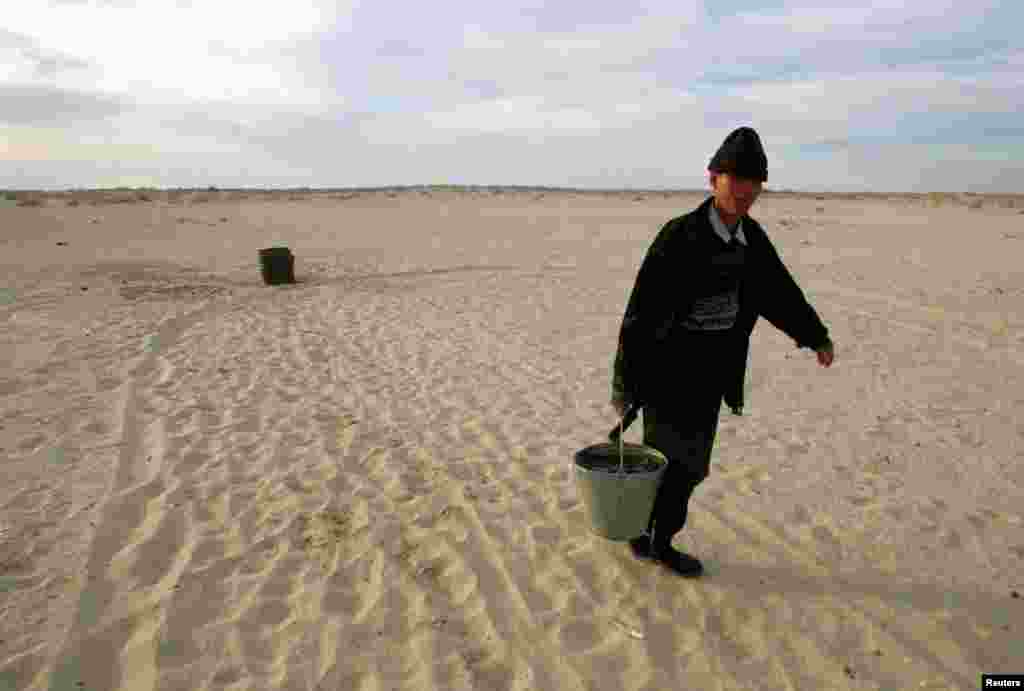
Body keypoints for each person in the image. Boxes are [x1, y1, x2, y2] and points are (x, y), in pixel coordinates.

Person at [610, 126, 835, 577]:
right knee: (668, 461)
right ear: (713, 179)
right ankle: (653, 540)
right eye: (735, 178)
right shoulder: (679, 236)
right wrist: (625, 383)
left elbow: (779, 293)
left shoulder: (751, 240)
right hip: (669, 373)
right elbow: (641, 312)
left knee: (691, 466)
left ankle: (651, 534)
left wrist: (814, 335)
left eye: (754, 181)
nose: (745, 190)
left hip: (712, 375)